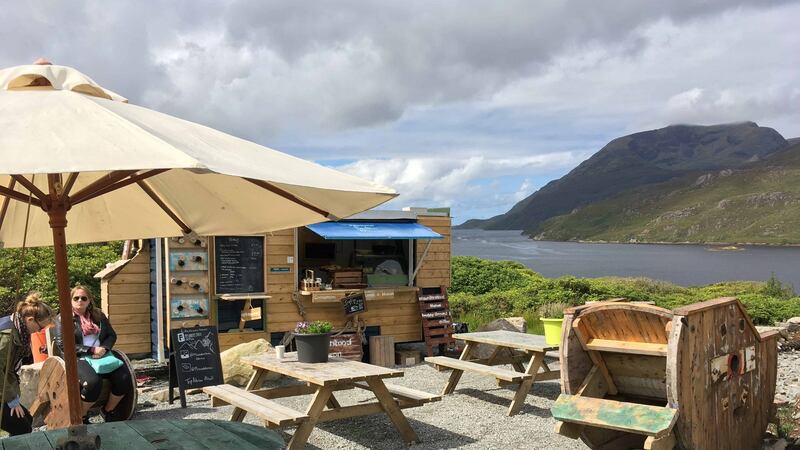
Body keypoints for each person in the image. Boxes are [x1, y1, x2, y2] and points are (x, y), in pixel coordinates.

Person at [53, 285, 131, 422]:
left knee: (124, 378)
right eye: (76, 298)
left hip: (102, 355)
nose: (80, 301)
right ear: (70, 300)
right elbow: (63, 345)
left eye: (84, 298)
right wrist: (91, 350)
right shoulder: (62, 319)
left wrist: (104, 349)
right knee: (92, 383)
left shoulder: (99, 315)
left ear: (89, 300)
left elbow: (111, 336)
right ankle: (82, 416)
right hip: (78, 357)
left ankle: (108, 410)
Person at [0, 292, 53, 435]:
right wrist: (11, 400)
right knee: (22, 428)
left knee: (27, 419)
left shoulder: (18, 330)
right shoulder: (7, 335)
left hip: (4, 388)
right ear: (30, 320)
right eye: (40, 327)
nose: (40, 331)